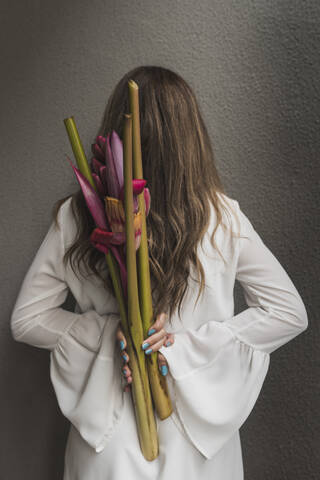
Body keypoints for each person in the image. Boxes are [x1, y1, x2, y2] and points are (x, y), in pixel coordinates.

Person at [10, 66, 308, 480]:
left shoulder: (81, 216)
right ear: (191, 136)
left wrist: (110, 335)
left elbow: (29, 321)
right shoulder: (219, 218)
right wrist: (186, 348)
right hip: (197, 439)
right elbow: (287, 312)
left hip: (110, 434)